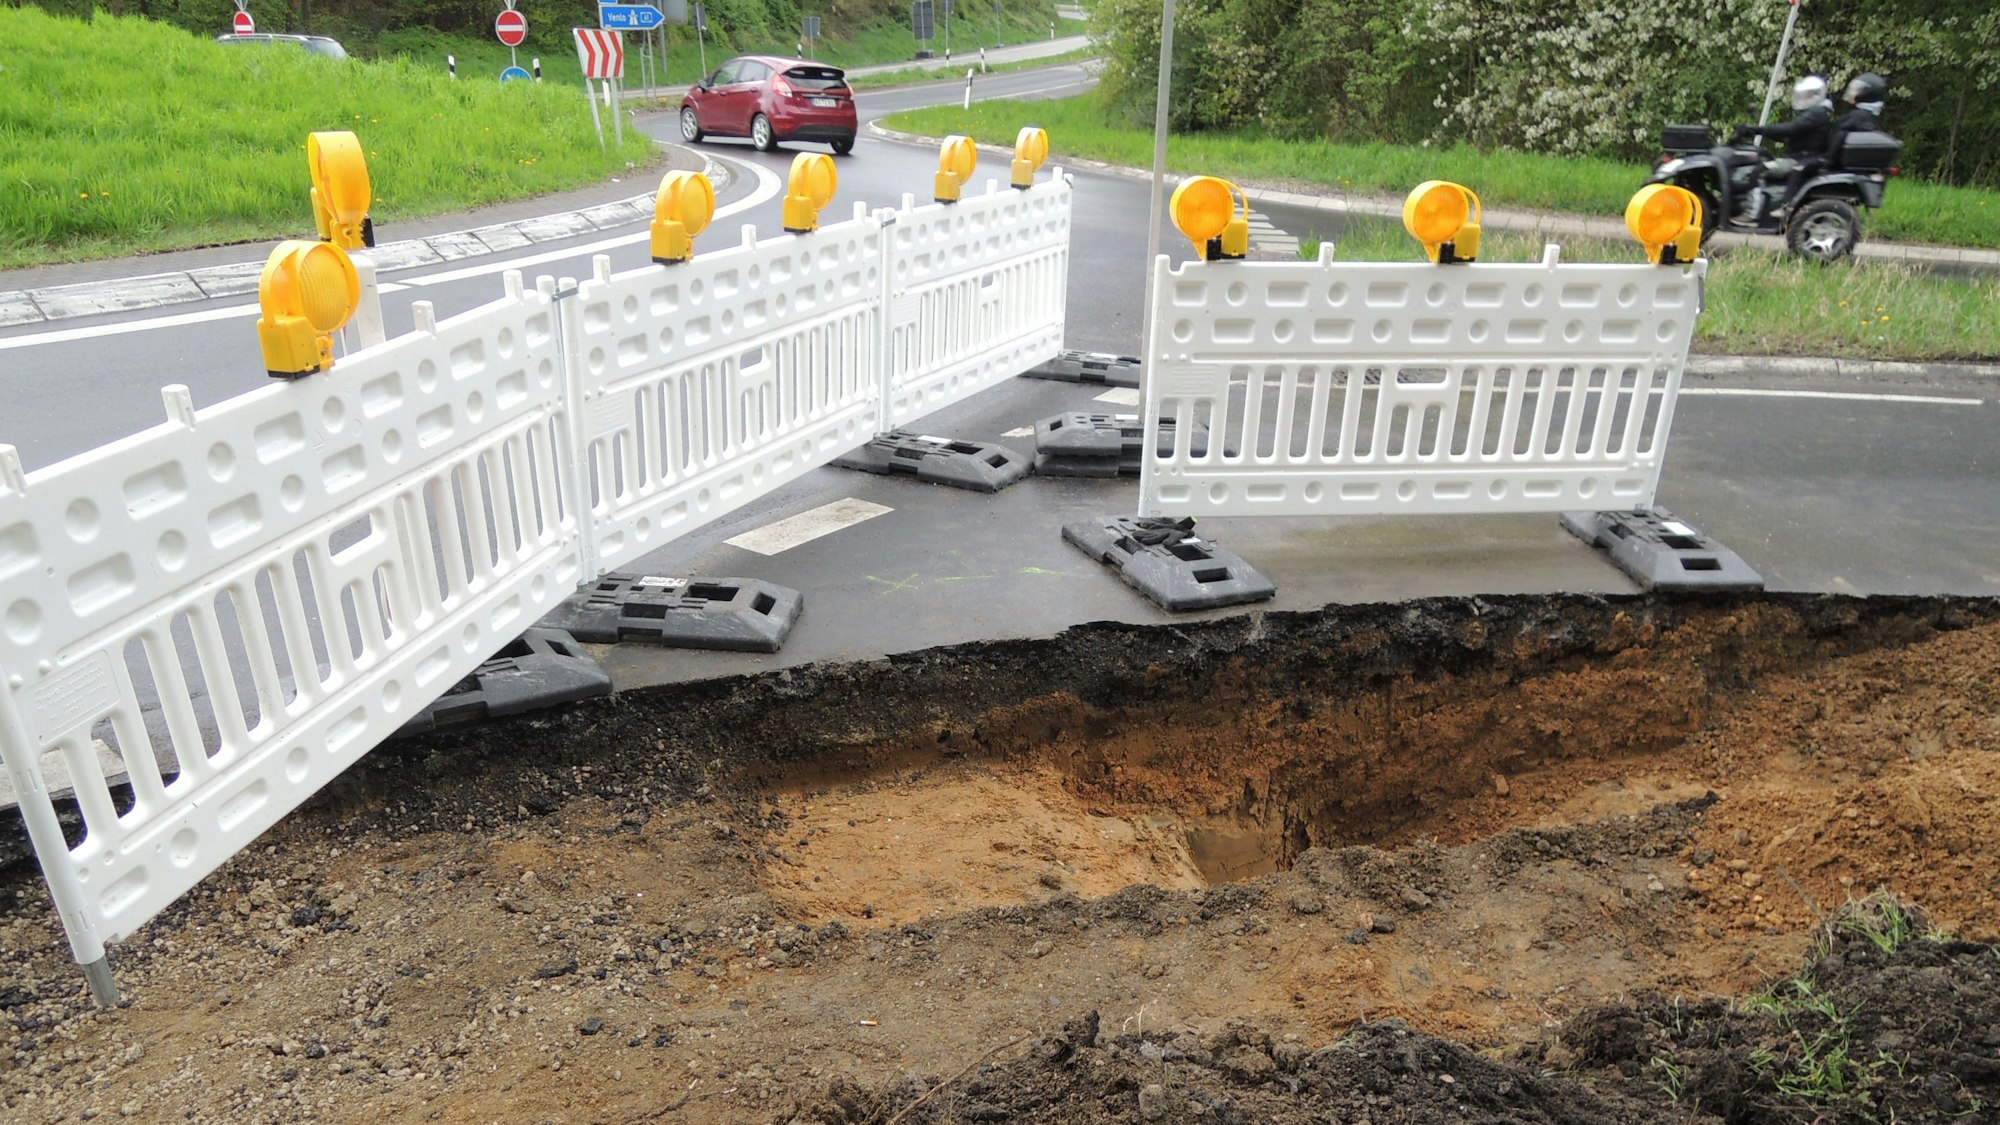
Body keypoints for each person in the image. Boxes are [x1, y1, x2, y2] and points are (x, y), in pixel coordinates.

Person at [1731, 76, 1832, 219]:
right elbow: (1788, 136)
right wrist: (1757, 131)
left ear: (1816, 95)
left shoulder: (1817, 113)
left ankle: (1751, 214)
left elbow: (1790, 128)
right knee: (1763, 158)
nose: (1802, 98)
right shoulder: (1815, 112)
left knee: (1759, 170)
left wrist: (1757, 129)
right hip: (1802, 156)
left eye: (1806, 95)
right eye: (1802, 94)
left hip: (1802, 158)